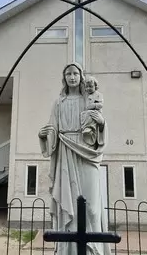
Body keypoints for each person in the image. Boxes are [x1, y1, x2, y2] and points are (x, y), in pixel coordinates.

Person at [38, 62, 111, 255]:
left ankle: (94, 250)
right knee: (67, 205)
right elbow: (52, 128)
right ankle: (68, 251)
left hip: (87, 152)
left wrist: (102, 124)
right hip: (65, 152)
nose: (72, 77)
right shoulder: (58, 103)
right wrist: (43, 135)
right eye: (68, 74)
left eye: (75, 73)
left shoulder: (89, 99)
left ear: (81, 76)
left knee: (93, 208)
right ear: (64, 78)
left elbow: (98, 128)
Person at [81, 76, 104, 146]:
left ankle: (90, 128)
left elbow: (101, 105)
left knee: (92, 116)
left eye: (90, 86)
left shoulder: (98, 95)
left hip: (96, 112)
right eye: (87, 87)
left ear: (95, 86)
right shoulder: (86, 96)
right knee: (84, 114)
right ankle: (86, 128)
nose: (88, 88)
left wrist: (94, 105)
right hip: (88, 113)